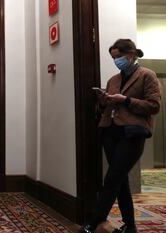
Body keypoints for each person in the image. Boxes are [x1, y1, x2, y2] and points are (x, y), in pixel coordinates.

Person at [79, 39, 162, 233]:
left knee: (112, 178)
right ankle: (130, 226)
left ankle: (94, 222)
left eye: (119, 57)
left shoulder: (147, 75)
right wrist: (103, 101)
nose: (116, 61)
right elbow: (106, 107)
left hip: (132, 133)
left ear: (131, 55)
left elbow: (154, 106)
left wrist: (125, 100)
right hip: (110, 131)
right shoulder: (113, 80)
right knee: (120, 179)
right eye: (113, 58)